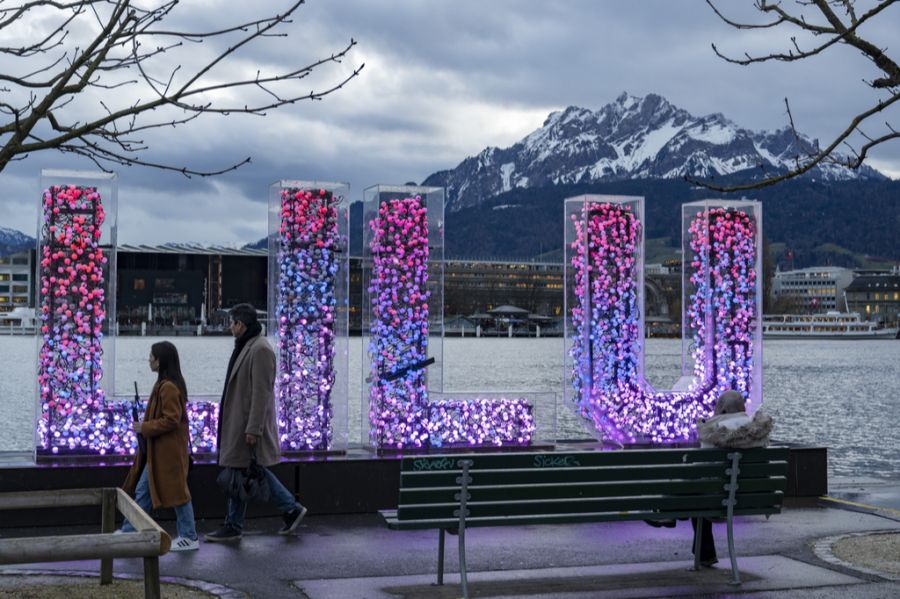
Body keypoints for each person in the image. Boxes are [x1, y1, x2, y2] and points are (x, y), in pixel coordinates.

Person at [206, 303, 307, 542]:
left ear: (241, 324)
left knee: (245, 470)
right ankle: (240, 522)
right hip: (241, 423)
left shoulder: (259, 349)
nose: (230, 327)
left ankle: (283, 510)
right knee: (242, 471)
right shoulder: (249, 346)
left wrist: (253, 429)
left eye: (232, 323)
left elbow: (261, 393)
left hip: (246, 425)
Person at [121, 341, 199, 552]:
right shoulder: (168, 385)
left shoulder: (168, 388)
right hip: (164, 451)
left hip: (167, 452)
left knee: (176, 494)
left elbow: (172, 419)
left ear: (160, 360)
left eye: (152, 356)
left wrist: (144, 427)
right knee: (148, 491)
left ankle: (189, 536)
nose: (149, 359)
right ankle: (129, 531)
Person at [691, 389, 774, 566]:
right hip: (751, 497)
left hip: (717, 498)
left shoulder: (712, 431)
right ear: (742, 407)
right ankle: (704, 555)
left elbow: (702, 471)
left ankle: (705, 553)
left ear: (720, 410)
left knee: (694, 493)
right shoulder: (758, 432)